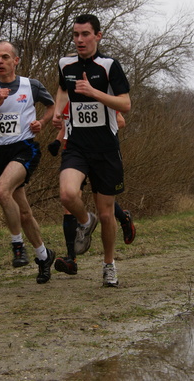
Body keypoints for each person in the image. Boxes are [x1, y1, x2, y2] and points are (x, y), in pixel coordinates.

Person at [52, 14, 131, 287]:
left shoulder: (109, 66)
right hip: (77, 146)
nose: (79, 40)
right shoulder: (65, 64)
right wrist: (58, 112)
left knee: (108, 214)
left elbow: (125, 104)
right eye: (75, 35)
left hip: (106, 149)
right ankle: (86, 221)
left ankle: (109, 265)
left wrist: (94, 92)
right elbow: (63, 90)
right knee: (67, 193)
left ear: (98, 35)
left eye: (85, 34)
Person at [0, 41, 56, 284]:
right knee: (25, 212)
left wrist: (43, 122)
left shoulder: (32, 85)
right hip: (1, 153)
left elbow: (52, 106)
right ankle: (44, 255)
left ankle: (17, 246)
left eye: (5, 57)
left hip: (25, 148)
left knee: (1, 190)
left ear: (15, 60)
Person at [48, 105, 136, 276]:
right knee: (69, 202)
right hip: (74, 154)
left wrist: (95, 134)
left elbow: (120, 121)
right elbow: (68, 126)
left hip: (99, 153)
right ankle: (71, 258)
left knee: (102, 204)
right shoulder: (68, 100)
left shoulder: (99, 96)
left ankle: (123, 218)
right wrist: (58, 141)